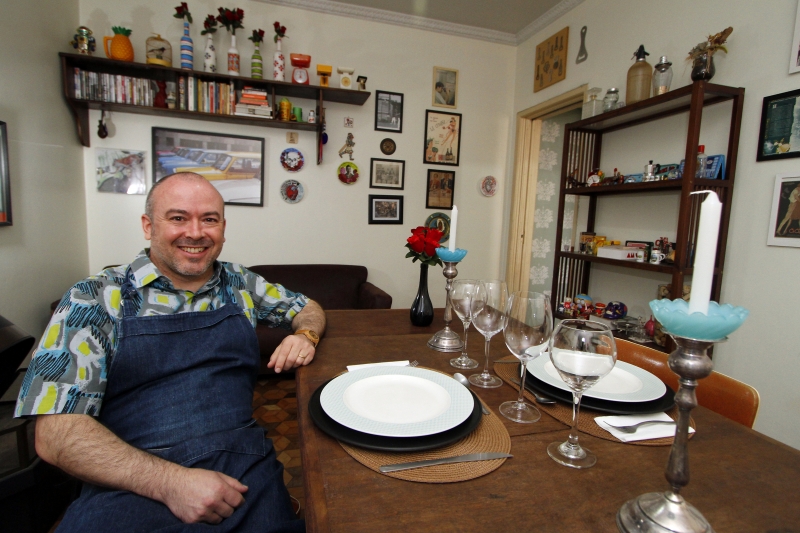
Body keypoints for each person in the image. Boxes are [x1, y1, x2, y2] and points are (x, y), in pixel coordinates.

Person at [15, 172, 325, 532]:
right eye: (178, 218)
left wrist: (305, 334)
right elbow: (56, 435)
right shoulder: (94, 297)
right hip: (132, 476)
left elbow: (308, 307)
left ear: (223, 227)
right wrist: (172, 483)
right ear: (148, 226)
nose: (195, 232)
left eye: (209, 219)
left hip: (244, 467)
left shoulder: (241, 282)